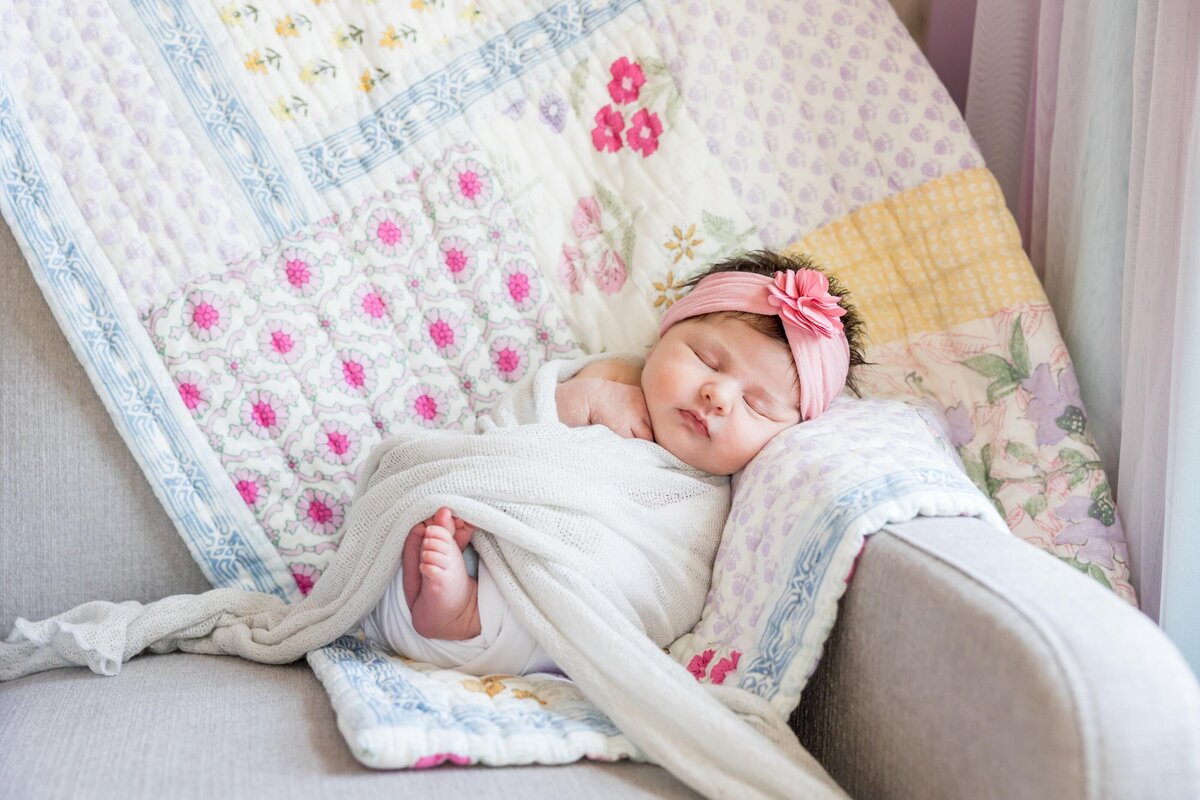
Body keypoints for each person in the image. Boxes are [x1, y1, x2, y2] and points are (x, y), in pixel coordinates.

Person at [361, 249, 867, 674]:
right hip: (490, 536)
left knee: (586, 605)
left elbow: (670, 586)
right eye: (706, 361)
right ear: (661, 338)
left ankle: (459, 612)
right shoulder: (607, 376)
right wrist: (585, 401)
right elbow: (502, 434)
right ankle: (435, 588)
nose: (718, 395)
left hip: (551, 620)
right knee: (441, 505)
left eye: (756, 406)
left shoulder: (713, 495)